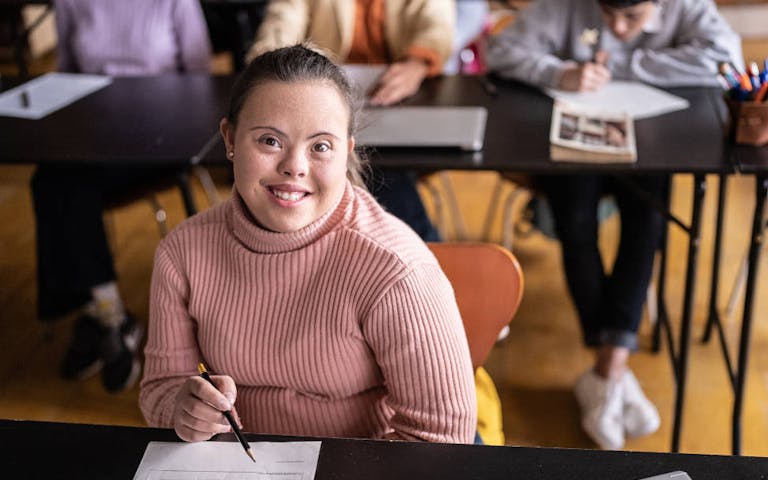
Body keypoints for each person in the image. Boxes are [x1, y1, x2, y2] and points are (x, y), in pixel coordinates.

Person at [139, 45, 477, 444]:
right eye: (269, 141)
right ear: (229, 138)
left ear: (346, 153)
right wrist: (182, 409)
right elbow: (160, 388)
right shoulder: (182, 253)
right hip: (238, 468)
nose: (294, 167)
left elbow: (441, 438)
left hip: (364, 467)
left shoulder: (395, 270)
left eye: (320, 146)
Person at [486, 0, 742, 450]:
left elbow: (727, 58)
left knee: (648, 223)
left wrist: (624, 65)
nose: (618, 28)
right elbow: (500, 49)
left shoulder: (686, 6)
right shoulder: (567, 5)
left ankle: (606, 371)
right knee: (575, 220)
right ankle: (613, 372)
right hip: (573, 141)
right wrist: (557, 73)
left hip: (654, 138)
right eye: (608, 16)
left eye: (632, 18)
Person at [32, 0, 211, 392]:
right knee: (52, 180)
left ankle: (100, 314)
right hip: (95, 133)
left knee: (63, 185)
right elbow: (66, 75)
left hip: (160, 134)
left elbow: (200, 77)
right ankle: (108, 314)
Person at [246, 0, 456, 242]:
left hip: (399, 100)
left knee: (382, 168)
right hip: (320, 100)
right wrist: (272, 63)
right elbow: (282, 21)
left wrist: (416, 63)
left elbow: (436, 24)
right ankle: (418, 244)